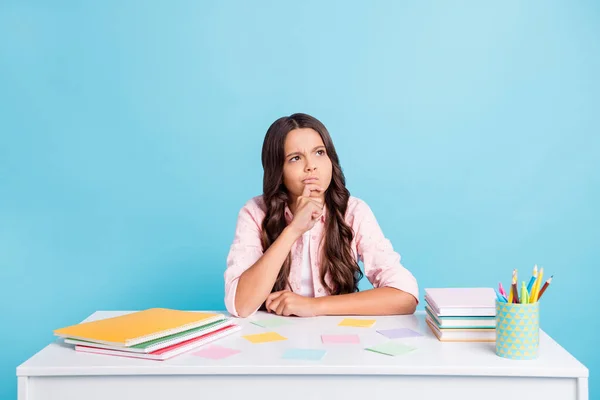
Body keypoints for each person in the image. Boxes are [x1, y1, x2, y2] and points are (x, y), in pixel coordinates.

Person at [224, 113, 418, 318]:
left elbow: (405, 295)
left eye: (319, 152)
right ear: (278, 170)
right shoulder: (255, 212)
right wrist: (293, 230)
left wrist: (314, 306)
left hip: (337, 337)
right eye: (295, 158)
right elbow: (241, 306)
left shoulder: (353, 211)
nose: (311, 166)